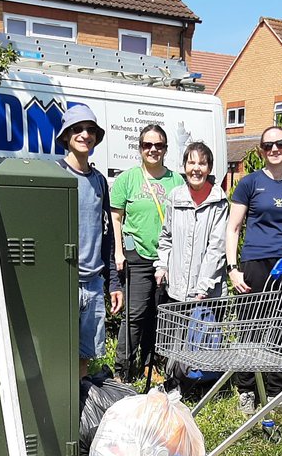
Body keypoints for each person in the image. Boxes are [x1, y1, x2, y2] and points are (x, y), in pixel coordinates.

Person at [225, 126, 282, 415]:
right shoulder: (249, 183)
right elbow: (233, 228)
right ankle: (247, 391)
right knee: (250, 327)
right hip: (255, 262)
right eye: (268, 145)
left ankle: (277, 395)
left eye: (280, 144)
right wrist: (233, 269)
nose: (274, 150)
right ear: (261, 150)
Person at [56, 104, 123, 378]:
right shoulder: (55, 175)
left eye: (91, 130)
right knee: (59, 351)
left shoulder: (99, 181)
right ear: (66, 136)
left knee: (85, 354)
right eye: (78, 129)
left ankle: (81, 409)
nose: (85, 134)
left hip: (94, 283)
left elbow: (106, 235)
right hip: (64, 281)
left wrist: (113, 283)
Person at [110, 124, 181, 382]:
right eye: (147, 145)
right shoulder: (127, 179)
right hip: (137, 256)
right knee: (135, 315)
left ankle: (151, 365)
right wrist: (118, 251)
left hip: (166, 259)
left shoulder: (176, 180)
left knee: (158, 315)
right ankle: (122, 371)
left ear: (165, 149)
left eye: (158, 145)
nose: (153, 150)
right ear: (140, 148)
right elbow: (116, 217)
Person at [156, 141, 229, 391]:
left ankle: (203, 387)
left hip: (205, 291)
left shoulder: (219, 201)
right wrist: (162, 265)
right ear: (184, 166)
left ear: (209, 168)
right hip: (176, 286)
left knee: (202, 341)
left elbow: (217, 248)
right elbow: (166, 237)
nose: (196, 168)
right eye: (191, 162)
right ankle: (176, 384)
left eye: (202, 163)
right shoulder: (175, 197)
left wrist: (204, 286)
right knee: (176, 339)